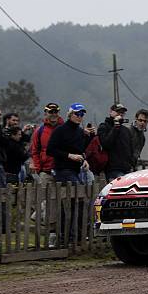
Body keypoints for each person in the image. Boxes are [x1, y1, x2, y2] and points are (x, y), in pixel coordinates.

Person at [46, 103, 95, 244]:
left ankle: (73, 236)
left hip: (76, 169)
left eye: (82, 114)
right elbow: (50, 150)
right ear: (70, 114)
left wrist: (84, 160)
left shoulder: (80, 132)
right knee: (76, 198)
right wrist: (69, 156)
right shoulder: (60, 130)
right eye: (77, 114)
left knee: (75, 202)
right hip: (62, 169)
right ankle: (65, 235)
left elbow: (80, 151)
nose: (79, 117)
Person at [30, 102, 64, 246]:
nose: (53, 114)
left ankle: (54, 234)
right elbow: (35, 150)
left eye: (55, 111)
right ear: (46, 113)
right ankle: (51, 232)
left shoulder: (64, 128)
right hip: (46, 171)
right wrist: (38, 167)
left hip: (62, 170)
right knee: (45, 201)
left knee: (57, 204)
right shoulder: (40, 130)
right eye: (51, 112)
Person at [97, 103, 134, 181]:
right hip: (113, 169)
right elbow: (106, 144)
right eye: (118, 112)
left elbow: (131, 149)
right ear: (111, 112)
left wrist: (131, 165)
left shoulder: (126, 130)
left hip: (127, 169)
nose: (120, 114)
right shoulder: (104, 127)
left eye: (122, 113)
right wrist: (116, 127)